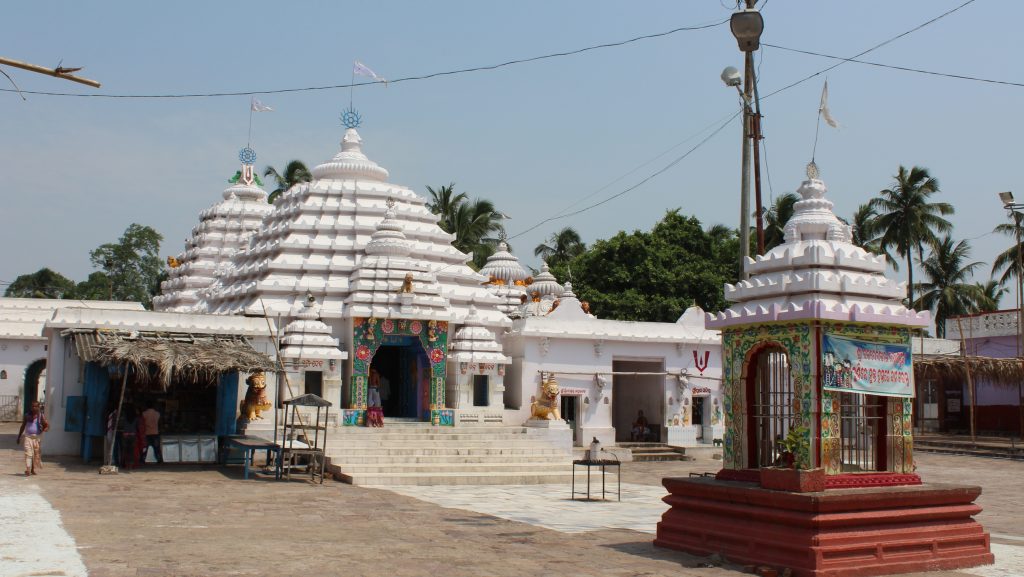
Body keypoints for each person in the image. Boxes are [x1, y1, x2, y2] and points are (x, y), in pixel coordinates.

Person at [16, 401, 49, 477]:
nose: (34, 408)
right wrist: (19, 436)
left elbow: (46, 425)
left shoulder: (41, 416)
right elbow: (23, 426)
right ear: (31, 407)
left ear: (38, 407)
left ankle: (32, 469)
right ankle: (28, 469)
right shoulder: (27, 415)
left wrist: (45, 429)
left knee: (35, 454)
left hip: (36, 438)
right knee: (28, 453)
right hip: (28, 437)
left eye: (36, 406)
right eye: (33, 406)